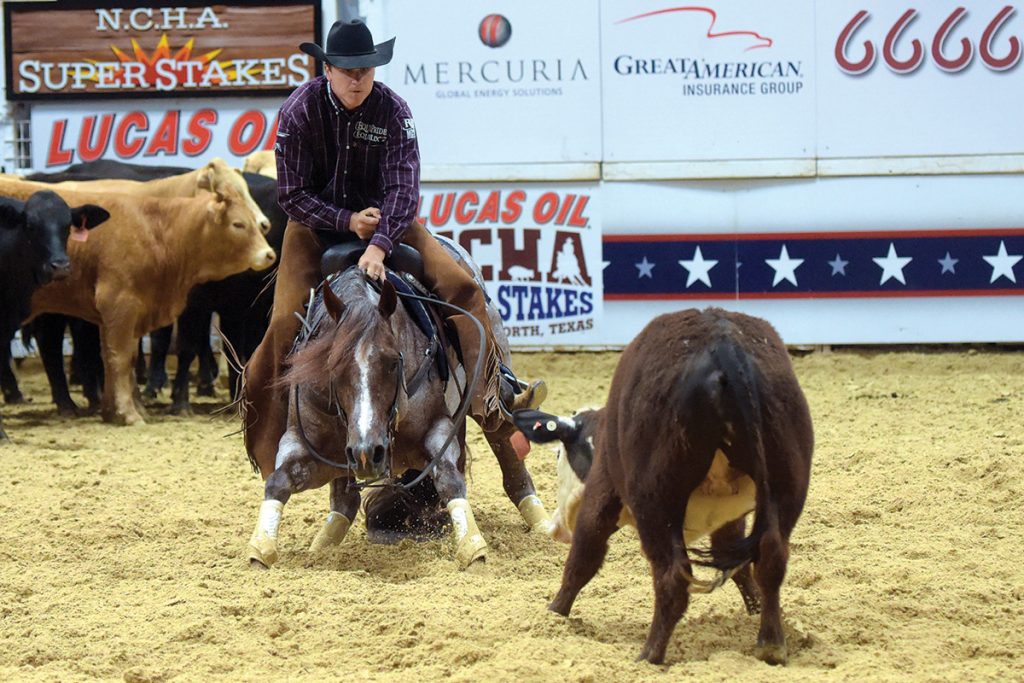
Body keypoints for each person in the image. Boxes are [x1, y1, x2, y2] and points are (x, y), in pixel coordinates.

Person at [242, 19, 544, 478]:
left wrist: (379, 243)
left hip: (389, 221)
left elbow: (405, 190)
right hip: (314, 228)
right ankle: (276, 428)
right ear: (327, 69)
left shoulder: (393, 110)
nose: (357, 78)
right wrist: (346, 221)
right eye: (347, 69)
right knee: (285, 320)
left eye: (366, 68)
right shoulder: (299, 111)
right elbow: (291, 196)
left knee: (462, 289)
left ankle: (490, 398)